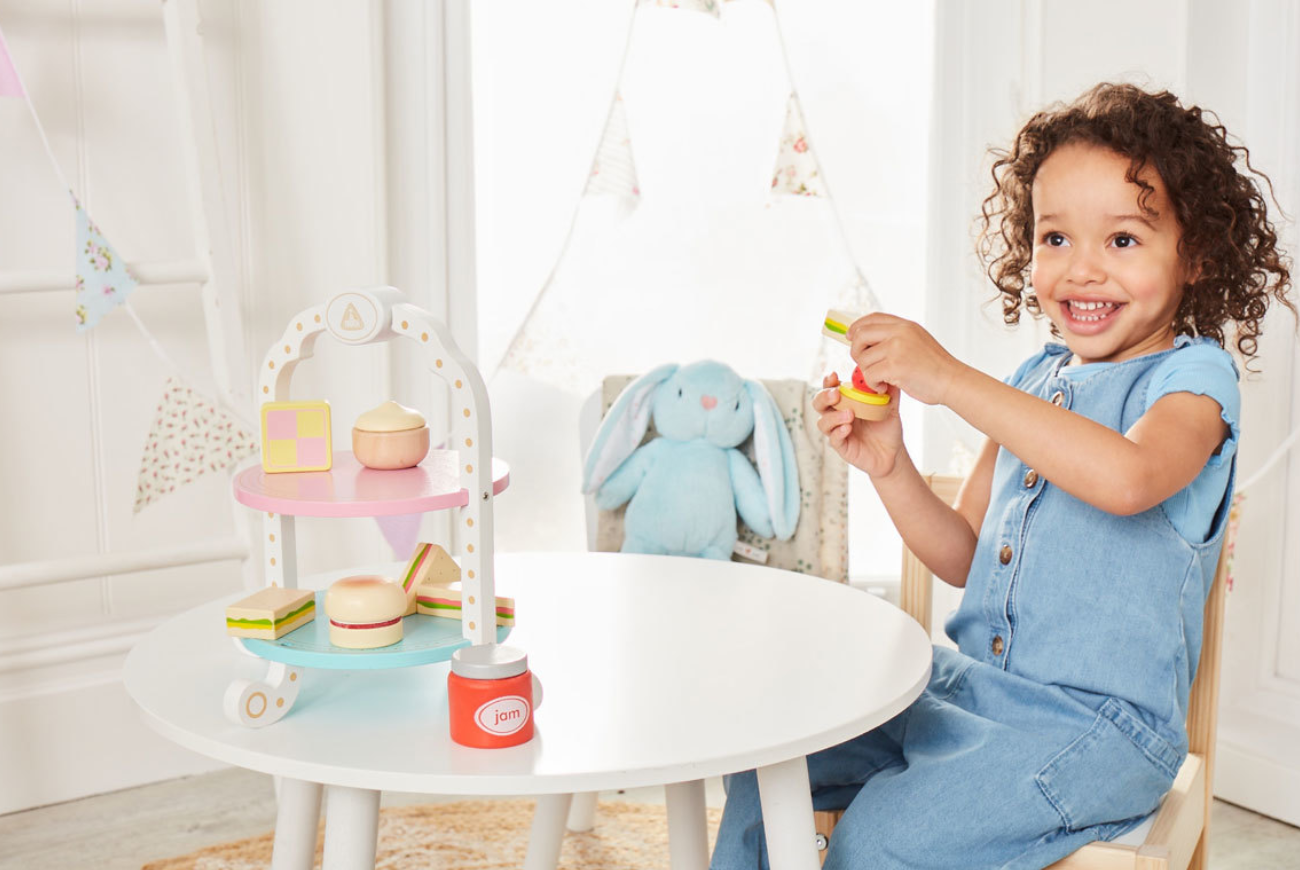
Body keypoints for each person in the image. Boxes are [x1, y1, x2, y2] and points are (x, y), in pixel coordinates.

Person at [710, 83, 1294, 870]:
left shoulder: (1193, 380)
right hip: (963, 694)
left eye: (1122, 241)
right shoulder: (1032, 380)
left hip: (1096, 733)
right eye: (1056, 238)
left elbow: (1128, 479)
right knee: (767, 762)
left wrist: (949, 378)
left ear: (1193, 257)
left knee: (884, 840)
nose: (1082, 271)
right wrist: (891, 466)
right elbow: (963, 555)